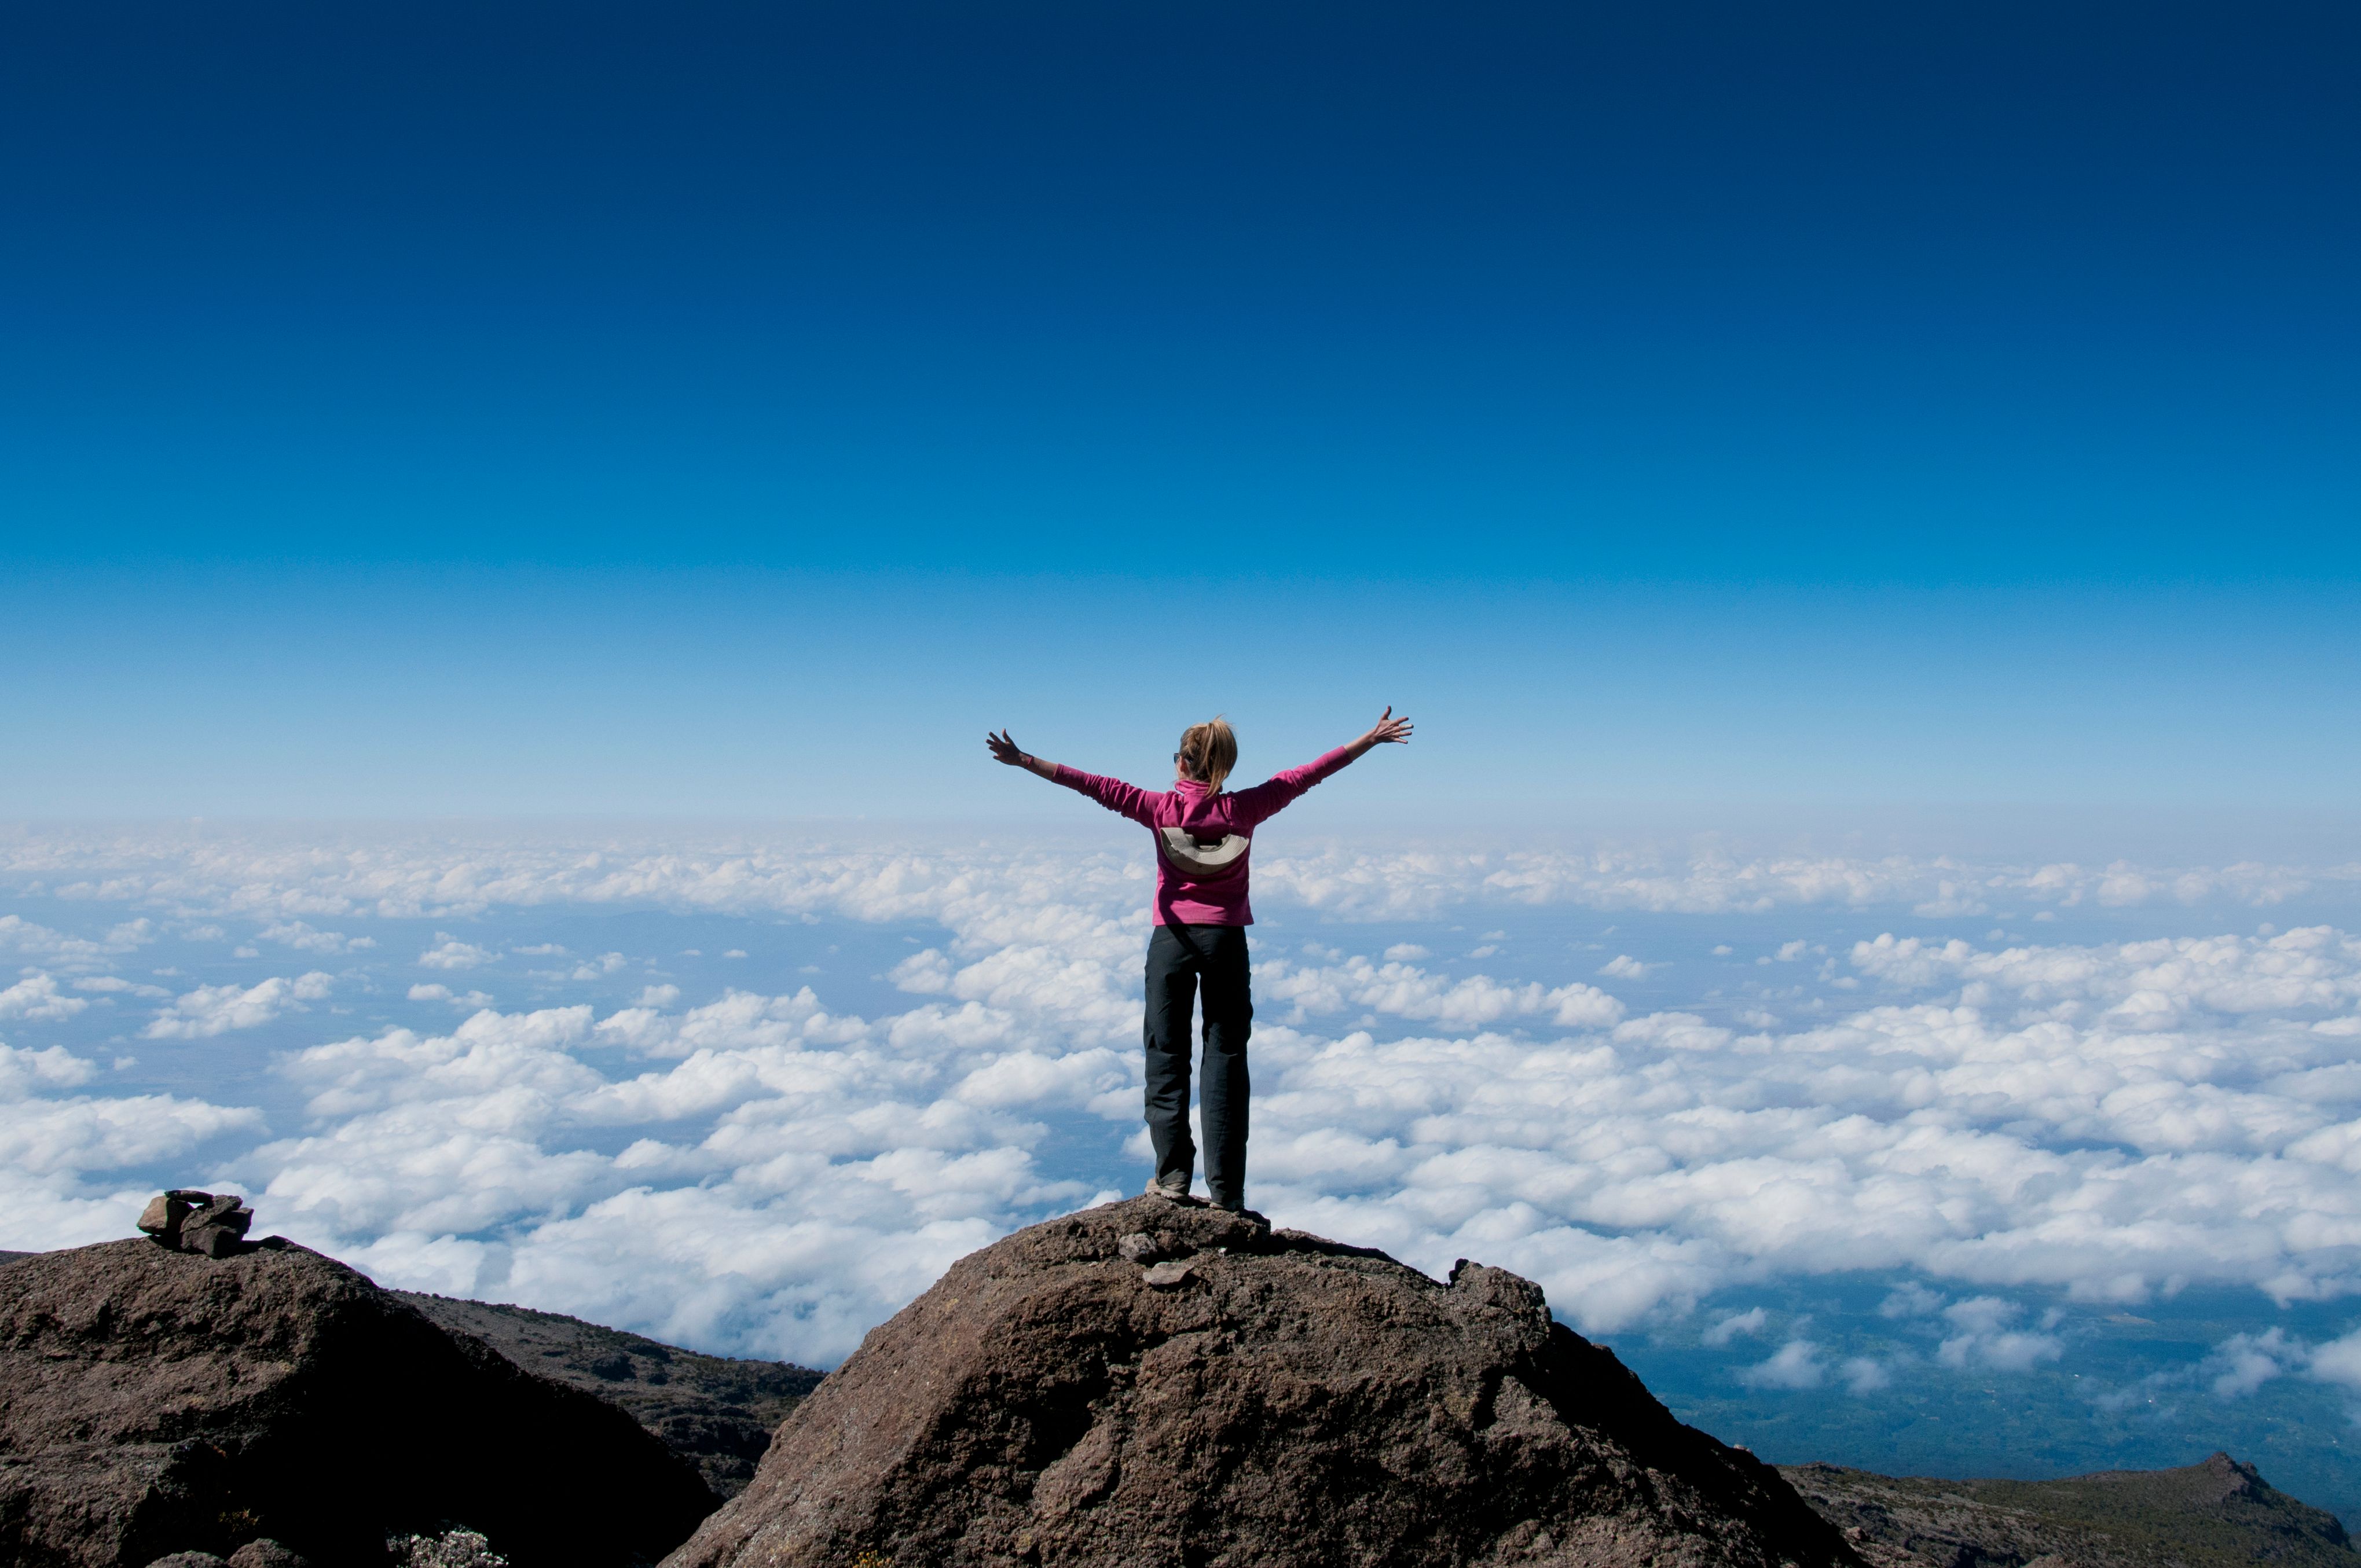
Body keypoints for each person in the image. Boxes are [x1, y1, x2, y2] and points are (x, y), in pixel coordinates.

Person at [984, 709, 1414, 1213]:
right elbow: (1310, 773)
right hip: (1226, 942)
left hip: (1170, 941)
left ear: (1184, 763)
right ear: (1221, 767)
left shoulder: (1157, 806)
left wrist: (1023, 760)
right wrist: (1370, 737)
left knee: (1165, 1056)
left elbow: (1089, 784)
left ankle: (1172, 1178)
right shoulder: (1247, 808)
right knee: (1227, 1060)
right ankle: (1227, 1193)